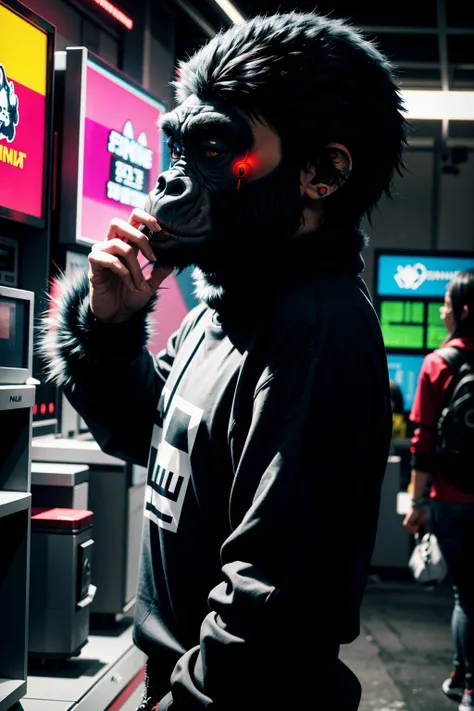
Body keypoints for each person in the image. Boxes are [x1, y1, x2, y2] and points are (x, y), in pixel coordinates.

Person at [40, 12, 406, 711]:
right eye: (178, 147)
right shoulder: (227, 309)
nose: (174, 183)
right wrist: (109, 326)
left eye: (214, 147)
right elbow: (152, 441)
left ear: (321, 173)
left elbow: (269, 614)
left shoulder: (318, 333)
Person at [403, 269, 474, 711]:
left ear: (463, 310)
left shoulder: (437, 364)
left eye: (446, 302)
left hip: (450, 498)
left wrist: (416, 503)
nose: (442, 310)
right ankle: (462, 674)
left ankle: (466, 683)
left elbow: (422, 443)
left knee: (465, 592)